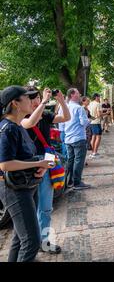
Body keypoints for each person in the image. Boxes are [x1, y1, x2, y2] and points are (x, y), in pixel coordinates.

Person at [0, 86, 53, 262]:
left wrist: (41, 165)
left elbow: (26, 157)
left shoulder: (18, 126)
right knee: (32, 241)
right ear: (15, 103)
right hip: (15, 189)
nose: (32, 101)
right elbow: (5, 164)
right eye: (27, 98)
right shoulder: (8, 129)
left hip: (28, 185)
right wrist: (39, 163)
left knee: (19, 237)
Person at [21, 87, 70, 255]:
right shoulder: (23, 116)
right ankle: (30, 242)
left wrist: (61, 100)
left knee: (46, 207)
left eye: (37, 97)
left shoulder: (46, 115)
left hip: (47, 160)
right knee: (30, 208)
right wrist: (43, 102)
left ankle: (45, 241)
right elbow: (30, 124)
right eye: (32, 98)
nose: (35, 101)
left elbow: (66, 117)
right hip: (29, 165)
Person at [64, 88, 91, 190]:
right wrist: (88, 120)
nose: (79, 94)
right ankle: (77, 182)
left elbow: (61, 122)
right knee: (79, 160)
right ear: (72, 95)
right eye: (77, 93)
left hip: (68, 138)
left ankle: (69, 181)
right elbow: (83, 122)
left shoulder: (65, 107)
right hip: (78, 137)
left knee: (70, 160)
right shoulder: (79, 108)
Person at [88, 93, 103, 159]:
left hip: (91, 122)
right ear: (96, 97)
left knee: (93, 137)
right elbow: (99, 114)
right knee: (98, 137)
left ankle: (92, 152)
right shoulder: (98, 104)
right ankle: (95, 152)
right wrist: (106, 113)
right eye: (99, 97)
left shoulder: (90, 103)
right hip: (96, 122)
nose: (99, 98)